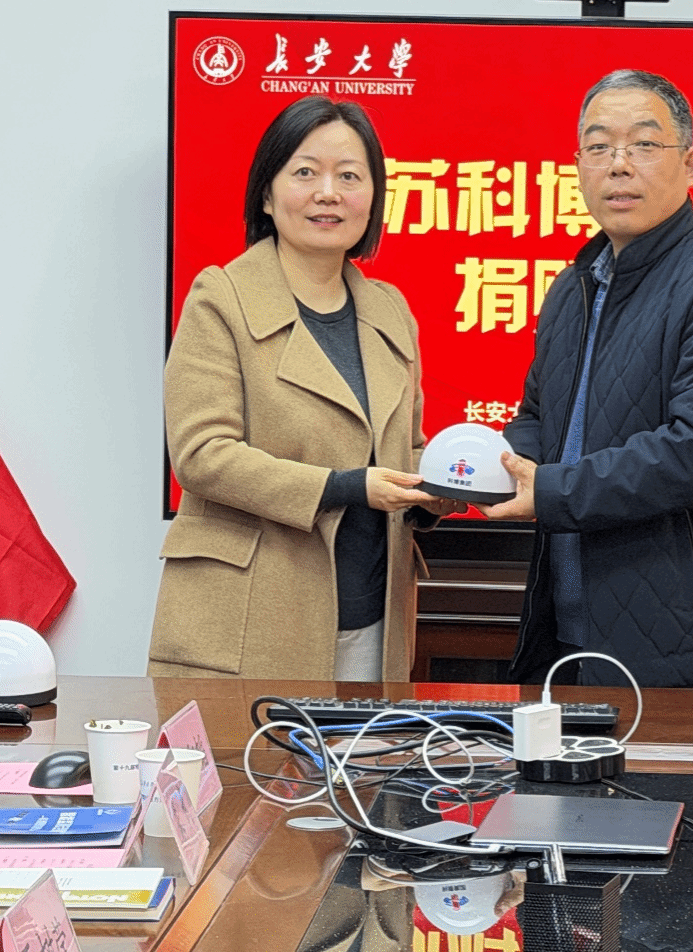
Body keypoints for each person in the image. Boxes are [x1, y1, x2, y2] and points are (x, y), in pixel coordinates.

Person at [481, 70, 693, 689]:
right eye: (599, 147)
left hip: (688, 654)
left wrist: (551, 490)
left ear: (691, 164)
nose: (619, 165)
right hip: (567, 635)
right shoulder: (574, 286)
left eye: (644, 145)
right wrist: (477, 469)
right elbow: (540, 420)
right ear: (578, 166)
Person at [149, 96, 462, 682]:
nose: (328, 193)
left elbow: (404, 450)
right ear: (267, 195)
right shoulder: (222, 298)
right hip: (252, 619)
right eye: (305, 172)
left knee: (366, 748)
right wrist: (346, 486)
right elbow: (202, 455)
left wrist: (446, 481)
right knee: (249, 749)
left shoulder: (389, 309)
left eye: (350, 176)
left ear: (374, 198)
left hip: (374, 619)